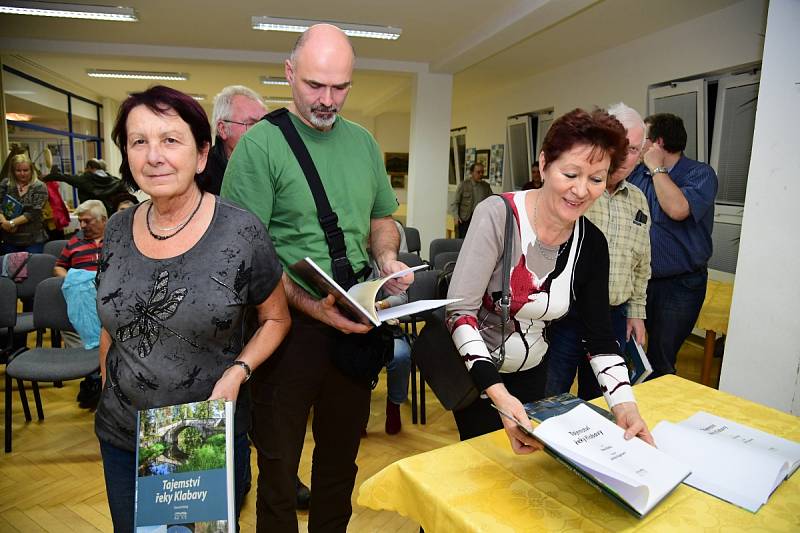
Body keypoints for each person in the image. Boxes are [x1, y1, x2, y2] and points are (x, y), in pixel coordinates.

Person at [221, 24, 412, 532]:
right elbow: (246, 257)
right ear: (289, 75)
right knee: (279, 466)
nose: (328, 100)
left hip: (352, 317)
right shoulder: (259, 147)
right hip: (285, 326)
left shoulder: (365, 143)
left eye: (341, 87)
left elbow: (380, 218)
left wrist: (388, 258)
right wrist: (310, 305)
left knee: (339, 462)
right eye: (315, 85)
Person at [95, 85, 291, 532]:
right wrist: (108, 378)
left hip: (201, 436)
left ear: (202, 154)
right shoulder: (116, 230)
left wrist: (238, 372)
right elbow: (114, 321)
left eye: (170, 139)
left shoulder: (240, 232)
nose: (153, 155)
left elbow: (277, 318)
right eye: (138, 141)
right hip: (122, 436)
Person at [446, 108, 654, 454]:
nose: (581, 190)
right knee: (485, 467)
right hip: (478, 375)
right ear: (544, 165)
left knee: (524, 473)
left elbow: (600, 338)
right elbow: (460, 313)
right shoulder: (498, 216)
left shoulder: (591, 243)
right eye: (570, 174)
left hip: (533, 371)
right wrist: (498, 395)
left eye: (597, 179)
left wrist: (625, 405)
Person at [545, 103, 651, 400]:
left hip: (613, 317)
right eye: (619, 145)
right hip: (564, 315)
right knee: (549, 397)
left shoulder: (639, 201)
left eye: (632, 149)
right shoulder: (576, 194)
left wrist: (637, 313)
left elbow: (642, 263)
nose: (623, 155)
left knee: (602, 401)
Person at [627, 113, 718, 379]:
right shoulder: (637, 175)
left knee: (661, 361)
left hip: (680, 286)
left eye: (644, 139)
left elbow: (678, 209)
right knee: (629, 353)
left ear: (658, 143)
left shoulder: (700, 173)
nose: (639, 145)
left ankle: (657, 416)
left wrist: (657, 168)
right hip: (638, 283)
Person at [199, 85, 268, 195]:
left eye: (264, 125)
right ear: (222, 129)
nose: (262, 132)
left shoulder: (273, 168)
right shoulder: (202, 178)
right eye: (251, 124)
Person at [0, 153, 49, 254]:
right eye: (18, 170)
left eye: (26, 170)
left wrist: (11, 223)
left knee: (33, 268)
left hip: (33, 240)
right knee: (10, 269)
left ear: (31, 170)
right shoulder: (6, 184)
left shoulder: (39, 186)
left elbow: (34, 212)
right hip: (9, 239)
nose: (22, 173)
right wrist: (3, 222)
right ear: (13, 171)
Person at [43, 157, 129, 215]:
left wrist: (46, 177)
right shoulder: (116, 181)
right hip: (110, 216)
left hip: (90, 215)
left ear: (89, 167)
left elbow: (65, 177)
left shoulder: (85, 180)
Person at [54, 199, 107, 277]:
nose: (82, 226)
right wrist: (71, 281)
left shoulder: (117, 240)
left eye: (87, 221)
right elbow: (59, 267)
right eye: (80, 221)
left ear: (103, 220)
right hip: (81, 287)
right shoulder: (73, 242)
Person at [451, 162, 492, 238]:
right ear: (472, 173)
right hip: (465, 219)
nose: (481, 174)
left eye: (482, 172)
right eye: (478, 172)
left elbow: (492, 202)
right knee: (463, 241)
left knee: (476, 240)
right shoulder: (464, 185)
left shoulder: (486, 187)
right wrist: (456, 217)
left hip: (480, 219)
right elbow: (455, 203)